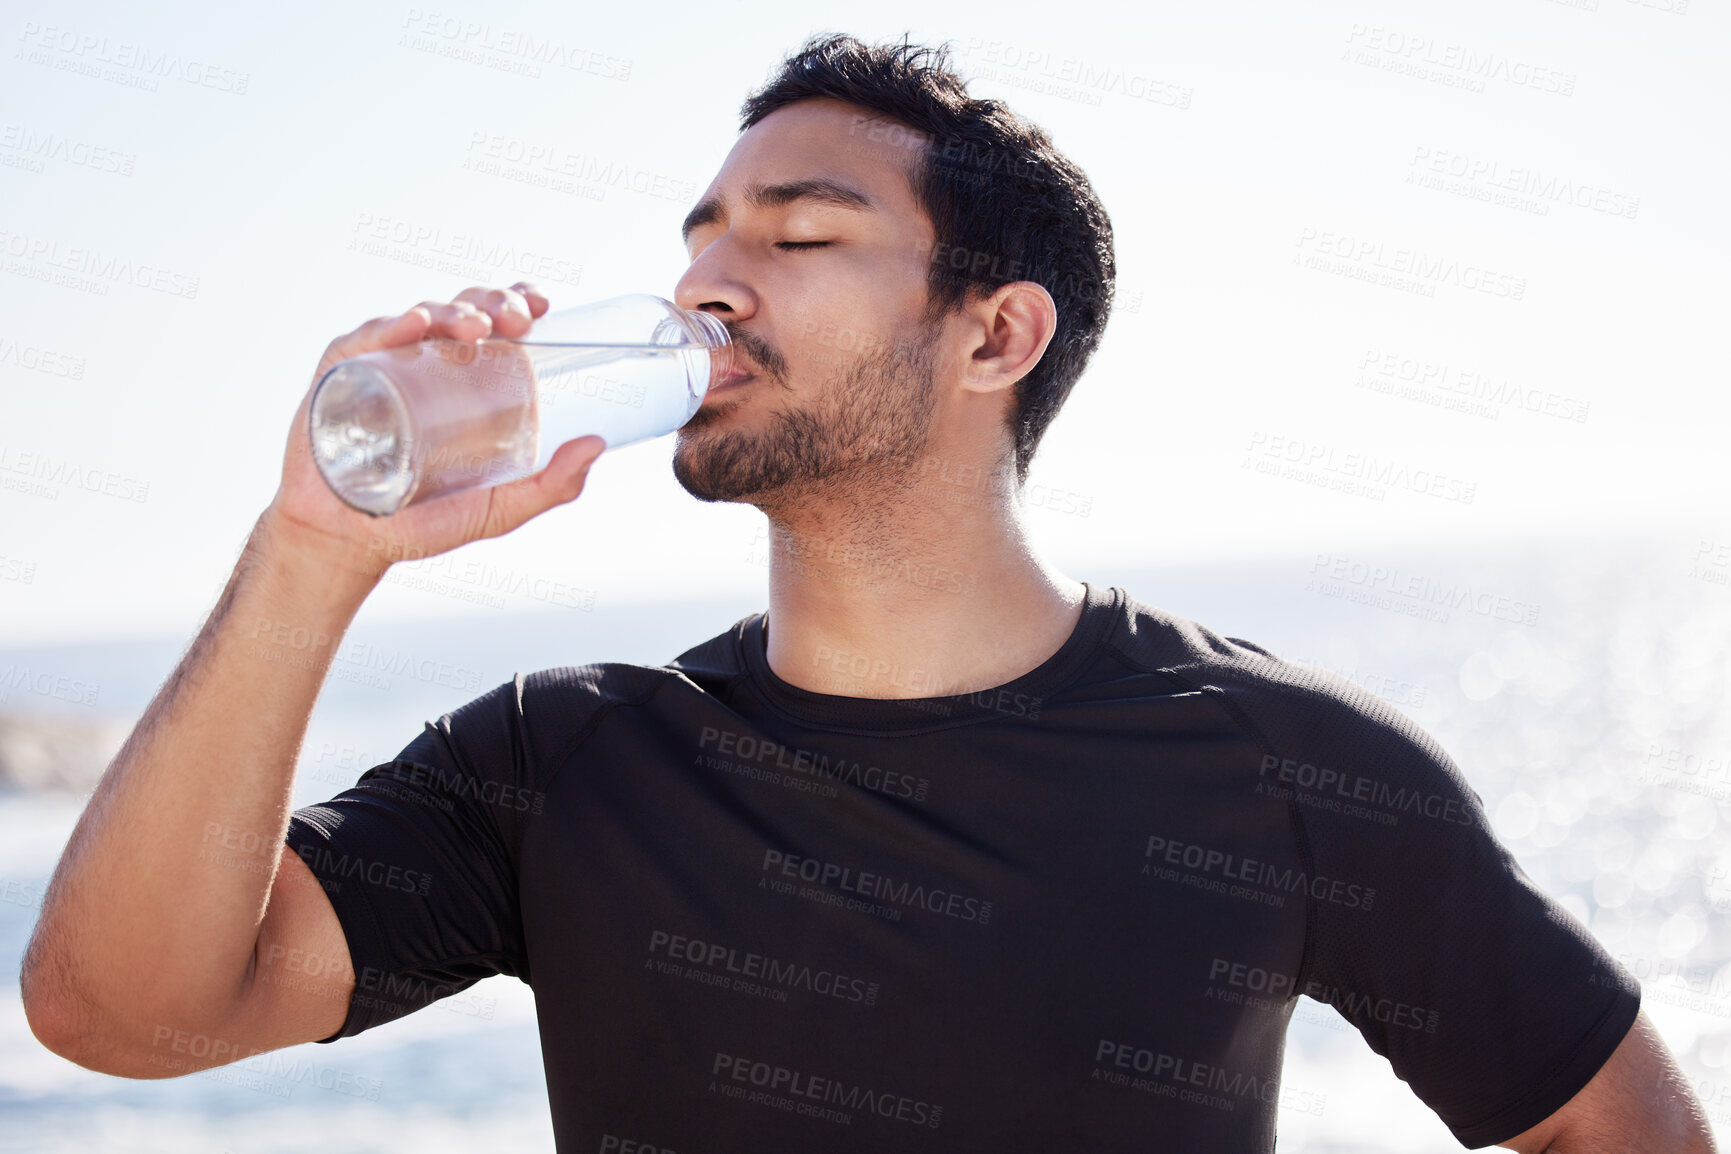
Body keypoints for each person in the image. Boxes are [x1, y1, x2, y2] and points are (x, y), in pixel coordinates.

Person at [20, 32, 1715, 1154]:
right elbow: (121, 1013)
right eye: (702, 235)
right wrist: (314, 549)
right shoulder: (563, 760)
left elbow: (1612, 1123)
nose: (706, 283)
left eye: (799, 233)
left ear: (996, 332)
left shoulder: (1278, 765)